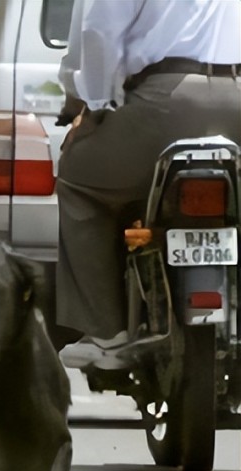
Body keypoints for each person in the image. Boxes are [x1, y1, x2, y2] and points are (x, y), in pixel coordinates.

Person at [55, 0, 241, 348]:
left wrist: (96, 106)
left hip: (164, 103)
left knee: (77, 181)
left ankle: (106, 329)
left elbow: (99, 31)